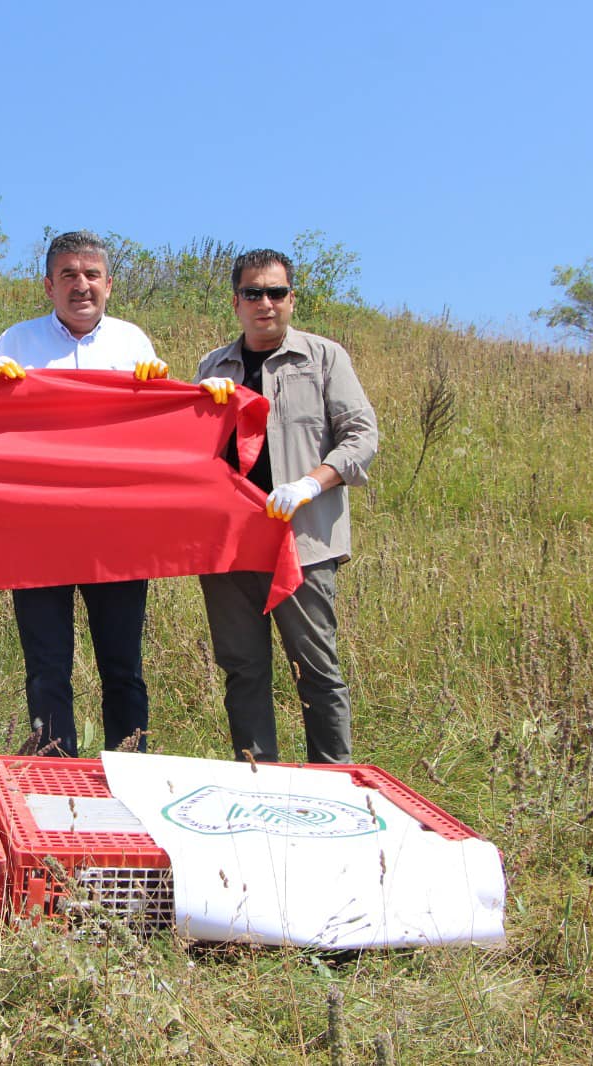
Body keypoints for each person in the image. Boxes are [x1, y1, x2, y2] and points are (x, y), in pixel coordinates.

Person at [0, 230, 171, 757]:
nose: (81, 285)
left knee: (123, 664)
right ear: (48, 285)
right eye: (68, 274)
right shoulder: (16, 342)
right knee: (46, 665)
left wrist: (164, 389)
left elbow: (162, 432)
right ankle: (53, 767)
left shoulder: (133, 343)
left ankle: (131, 766)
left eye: (91, 275)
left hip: (117, 529)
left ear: (109, 284)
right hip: (38, 528)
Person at [195, 248, 378, 763]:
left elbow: (361, 436)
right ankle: (258, 779)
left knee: (316, 669)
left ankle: (332, 780)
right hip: (231, 548)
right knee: (243, 668)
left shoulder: (323, 358)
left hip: (304, 541)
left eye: (276, 292)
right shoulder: (213, 366)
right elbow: (193, 456)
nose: (265, 303)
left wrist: (310, 484)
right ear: (236, 302)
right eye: (253, 293)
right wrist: (199, 411)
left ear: (292, 298)